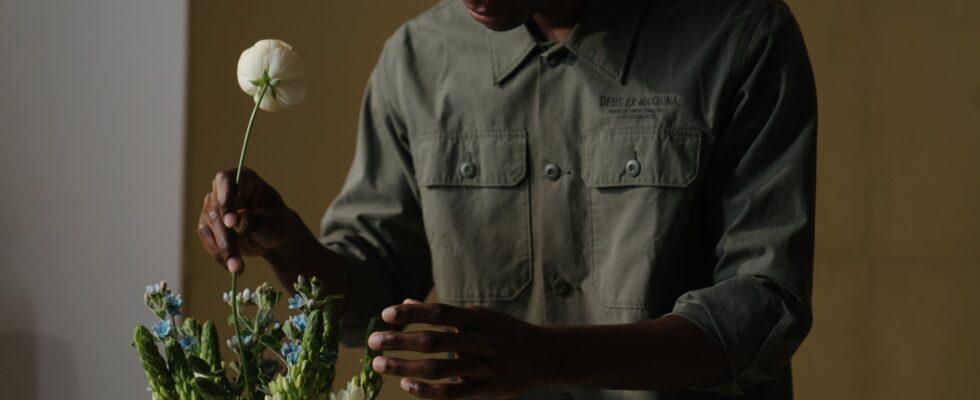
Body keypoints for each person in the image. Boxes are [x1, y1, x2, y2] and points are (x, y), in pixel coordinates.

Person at [197, 0, 816, 398]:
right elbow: (372, 302)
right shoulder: (417, 60)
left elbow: (761, 308)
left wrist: (549, 355)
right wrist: (287, 244)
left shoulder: (741, 36)